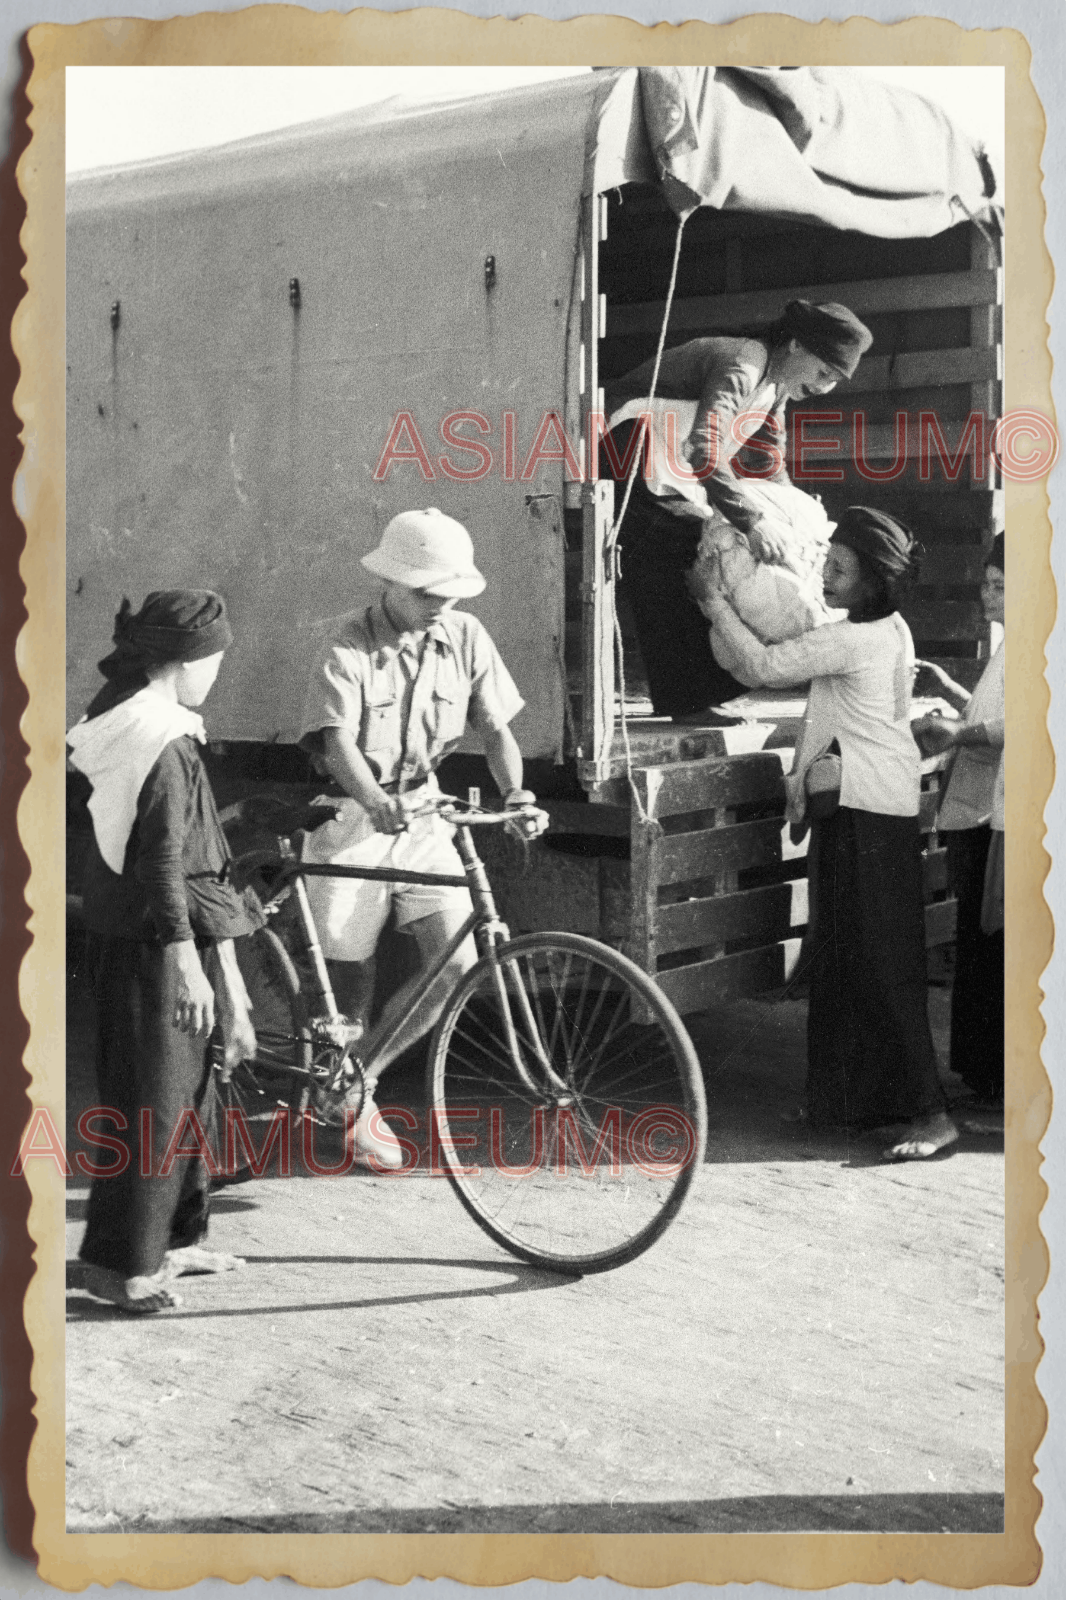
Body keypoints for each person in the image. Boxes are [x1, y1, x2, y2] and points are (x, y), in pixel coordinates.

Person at [696, 507, 958, 1161]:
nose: (825, 573)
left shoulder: (856, 639)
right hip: (859, 807)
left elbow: (761, 666)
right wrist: (800, 785)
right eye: (826, 561)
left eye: (838, 567)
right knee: (841, 959)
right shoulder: (885, 629)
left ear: (874, 579)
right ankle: (839, 1104)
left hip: (871, 811)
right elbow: (826, 713)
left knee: (883, 963)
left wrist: (712, 602)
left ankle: (931, 1115)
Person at [298, 508, 546, 1170]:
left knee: (457, 965)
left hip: (425, 812)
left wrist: (517, 794)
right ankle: (338, 1087)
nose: (442, 608)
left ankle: (358, 1085)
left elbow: (495, 730)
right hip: (354, 816)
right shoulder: (347, 646)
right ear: (393, 584)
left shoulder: (464, 634)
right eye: (430, 596)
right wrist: (375, 802)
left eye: (451, 596)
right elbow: (338, 741)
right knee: (344, 979)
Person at [66, 591, 259, 1314]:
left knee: (194, 1096)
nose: (216, 671)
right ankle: (119, 1269)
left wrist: (223, 970)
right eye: (213, 658)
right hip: (153, 946)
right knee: (151, 1102)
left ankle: (178, 1242)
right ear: (184, 660)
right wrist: (187, 961)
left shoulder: (149, 723)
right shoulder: (161, 741)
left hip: (178, 936)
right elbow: (163, 860)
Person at [602, 299, 873, 725]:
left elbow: (768, 465)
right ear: (796, 346)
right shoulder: (743, 363)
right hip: (616, 453)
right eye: (823, 373)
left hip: (664, 469)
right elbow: (703, 447)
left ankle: (702, 691)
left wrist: (795, 526)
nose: (824, 388)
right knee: (679, 546)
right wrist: (754, 522)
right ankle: (686, 700)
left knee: (710, 549)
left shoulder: (775, 387)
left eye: (834, 381)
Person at [912, 535, 1005, 1110]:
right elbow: (996, 713)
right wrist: (951, 692)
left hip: (1004, 816)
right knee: (978, 939)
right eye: (986, 583)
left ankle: (994, 1078)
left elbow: (1022, 729)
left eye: (999, 586)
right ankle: (981, 1074)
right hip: (980, 810)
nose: (986, 595)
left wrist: (958, 733)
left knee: (993, 943)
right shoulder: (1012, 648)